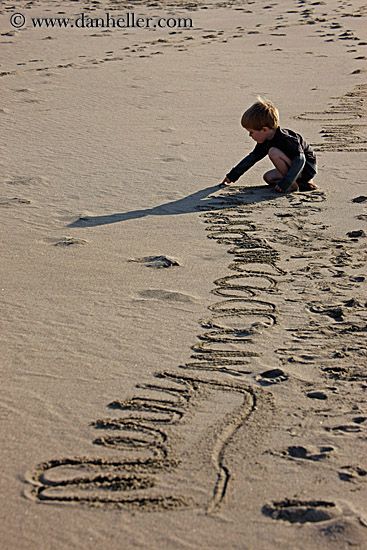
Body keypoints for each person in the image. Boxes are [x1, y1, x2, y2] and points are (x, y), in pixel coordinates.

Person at [221, 97, 318, 193]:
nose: (250, 135)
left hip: (307, 168)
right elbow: (251, 159)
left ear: (265, 130)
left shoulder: (286, 139)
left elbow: (300, 160)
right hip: (294, 167)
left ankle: (292, 184)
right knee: (268, 177)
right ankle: (302, 184)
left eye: (251, 132)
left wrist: (286, 182)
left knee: (273, 152)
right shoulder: (265, 141)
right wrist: (232, 176)